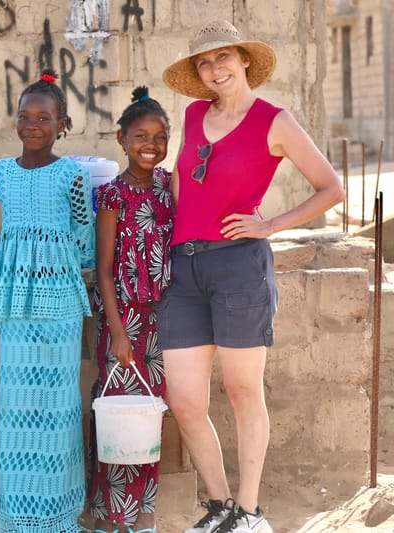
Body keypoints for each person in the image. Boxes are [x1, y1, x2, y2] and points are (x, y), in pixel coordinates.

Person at [159, 20, 345, 533]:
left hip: (238, 266)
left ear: (244, 60)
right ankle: (220, 506)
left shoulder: (274, 121)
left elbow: (331, 188)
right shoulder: (193, 114)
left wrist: (269, 225)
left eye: (223, 57)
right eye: (204, 62)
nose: (215, 69)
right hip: (184, 268)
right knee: (185, 401)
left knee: (243, 390)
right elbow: (181, 184)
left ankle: (250, 512)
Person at [0, 69, 96, 533]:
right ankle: (21, 518)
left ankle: (58, 516)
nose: (33, 125)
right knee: (17, 408)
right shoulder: (1, 174)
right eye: (25, 116)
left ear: (62, 125)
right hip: (16, 305)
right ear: (16, 122)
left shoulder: (72, 176)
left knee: (59, 407)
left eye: (44, 118)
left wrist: (58, 262)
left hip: (61, 304)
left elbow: (84, 235)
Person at [86, 86, 173, 533]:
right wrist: (118, 332)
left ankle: (146, 515)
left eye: (160, 137)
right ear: (122, 139)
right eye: (141, 136)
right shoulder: (111, 195)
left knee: (150, 416)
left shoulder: (169, 187)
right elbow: (104, 270)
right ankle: (110, 516)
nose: (150, 145)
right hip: (122, 319)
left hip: (162, 319)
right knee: (118, 414)